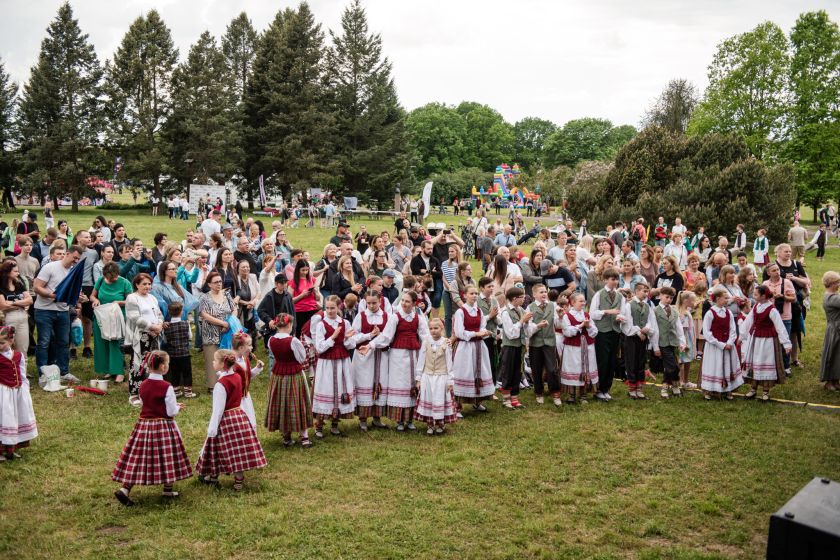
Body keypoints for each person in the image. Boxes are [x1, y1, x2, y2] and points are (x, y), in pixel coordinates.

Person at [111, 351, 191, 505]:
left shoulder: (143, 385)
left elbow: (144, 402)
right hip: (163, 427)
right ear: (162, 367)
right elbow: (170, 411)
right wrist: (177, 407)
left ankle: (125, 489)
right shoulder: (166, 386)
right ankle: (167, 489)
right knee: (168, 455)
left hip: (144, 426)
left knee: (138, 457)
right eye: (167, 364)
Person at [195, 350, 267, 490]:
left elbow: (218, 409)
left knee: (219, 448)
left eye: (215, 361)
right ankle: (238, 480)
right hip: (239, 415)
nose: (213, 362)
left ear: (222, 364)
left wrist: (212, 429)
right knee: (237, 450)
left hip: (226, 420)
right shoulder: (237, 377)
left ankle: (213, 475)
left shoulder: (220, 385)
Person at [376, 291, 429, 431]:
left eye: (407, 301)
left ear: (414, 304)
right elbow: (386, 337)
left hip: (413, 354)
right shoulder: (395, 317)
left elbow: (425, 336)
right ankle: (400, 420)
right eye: (403, 301)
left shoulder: (418, 318)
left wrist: (435, 346)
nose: (404, 303)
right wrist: (371, 345)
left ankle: (410, 419)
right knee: (400, 383)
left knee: (412, 383)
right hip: (398, 356)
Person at [33, 245, 83, 383]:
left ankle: (64, 372)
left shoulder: (73, 272)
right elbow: (36, 287)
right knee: (44, 342)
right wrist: (53, 296)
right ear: (67, 254)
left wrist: (79, 298)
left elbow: (73, 292)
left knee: (63, 342)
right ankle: (43, 373)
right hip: (44, 310)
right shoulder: (50, 267)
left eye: (78, 259)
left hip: (63, 311)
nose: (76, 261)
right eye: (74, 258)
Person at [265, 313, 313, 447]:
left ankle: (286, 436)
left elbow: (274, 355)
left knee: (282, 402)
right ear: (290, 325)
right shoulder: (293, 341)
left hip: (278, 375)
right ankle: (304, 437)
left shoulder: (271, 340)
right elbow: (301, 358)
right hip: (294, 375)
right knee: (298, 402)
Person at [311, 295, 356, 438]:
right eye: (327, 308)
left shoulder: (345, 323)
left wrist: (347, 338)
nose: (330, 311)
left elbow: (351, 345)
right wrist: (333, 337)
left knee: (340, 390)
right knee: (326, 389)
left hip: (342, 361)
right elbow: (319, 347)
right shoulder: (321, 324)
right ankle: (318, 425)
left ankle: (335, 423)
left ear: (338, 307)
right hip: (327, 362)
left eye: (333, 308)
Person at [740, 285, 791, 401]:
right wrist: (741, 336)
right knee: (755, 362)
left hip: (768, 341)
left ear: (763, 296)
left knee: (765, 363)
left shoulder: (771, 309)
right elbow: (748, 321)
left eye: (756, 294)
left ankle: (765, 391)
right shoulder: (756, 306)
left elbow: (780, 327)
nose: (754, 296)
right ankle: (753, 389)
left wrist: (786, 344)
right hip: (755, 339)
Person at [349, 291, 389, 431]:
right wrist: (369, 335)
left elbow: (389, 335)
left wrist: (378, 338)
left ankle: (377, 417)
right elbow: (353, 337)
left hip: (380, 356)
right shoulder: (361, 316)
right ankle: (363, 418)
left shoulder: (385, 316)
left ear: (380, 301)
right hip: (363, 357)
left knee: (379, 382)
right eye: (369, 303)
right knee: (364, 383)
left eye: (374, 303)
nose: (371, 306)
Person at [451, 285, 494, 412]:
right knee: (464, 372)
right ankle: (457, 406)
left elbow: (482, 326)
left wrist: (484, 332)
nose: (474, 295)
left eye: (476, 293)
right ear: (464, 295)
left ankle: (477, 401)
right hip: (465, 347)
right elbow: (459, 332)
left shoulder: (478, 311)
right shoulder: (460, 312)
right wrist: (476, 334)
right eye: (471, 293)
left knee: (479, 371)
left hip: (479, 346)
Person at [125, 273, 164, 406]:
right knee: (139, 363)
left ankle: (151, 392)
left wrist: (159, 325)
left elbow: (159, 314)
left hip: (155, 335)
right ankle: (134, 393)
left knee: (154, 363)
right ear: (137, 285)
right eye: (144, 284)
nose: (147, 286)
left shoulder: (152, 297)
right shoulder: (132, 298)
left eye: (149, 284)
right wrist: (151, 327)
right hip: (141, 336)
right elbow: (134, 318)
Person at [414, 317, 458, 435]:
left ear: (442, 328)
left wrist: (450, 380)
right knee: (428, 398)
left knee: (439, 399)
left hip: (441, 377)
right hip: (427, 376)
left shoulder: (446, 343)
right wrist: (418, 378)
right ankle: (430, 424)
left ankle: (440, 423)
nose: (433, 331)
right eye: (431, 328)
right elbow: (421, 360)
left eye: (436, 328)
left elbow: (449, 363)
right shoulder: (426, 342)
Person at [90, 262, 133, 383]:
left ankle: (119, 371)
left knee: (115, 343)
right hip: (102, 316)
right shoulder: (100, 280)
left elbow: (131, 301)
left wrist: (119, 302)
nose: (111, 280)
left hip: (117, 317)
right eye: (109, 278)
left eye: (113, 278)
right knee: (101, 342)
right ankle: (107, 369)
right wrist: (96, 300)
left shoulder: (124, 282)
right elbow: (92, 296)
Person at [0, 326, 37, 462]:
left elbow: (22, 373)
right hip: (3, 393)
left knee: (15, 419)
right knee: (4, 419)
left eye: (2, 343)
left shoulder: (18, 355)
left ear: (11, 341)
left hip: (17, 393)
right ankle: (1, 449)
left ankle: (12, 448)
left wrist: (24, 390)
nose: (0, 346)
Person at [700, 287, 744, 400]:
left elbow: (733, 329)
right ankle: (710, 389)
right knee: (714, 365)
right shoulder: (710, 313)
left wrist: (729, 342)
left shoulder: (728, 312)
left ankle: (727, 388)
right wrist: (720, 344)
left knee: (727, 365)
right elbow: (706, 332)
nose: (727, 300)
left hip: (728, 344)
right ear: (718, 299)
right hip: (714, 346)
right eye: (725, 298)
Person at [198, 271, 237, 393]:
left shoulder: (226, 294)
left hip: (227, 331)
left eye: (220, 281)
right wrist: (222, 323)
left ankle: (228, 382)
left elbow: (234, 309)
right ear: (209, 284)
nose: (219, 284)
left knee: (227, 357)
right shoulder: (204, 297)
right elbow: (204, 314)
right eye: (215, 282)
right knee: (213, 358)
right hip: (211, 332)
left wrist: (229, 323)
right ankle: (213, 385)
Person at [590, 268, 624, 402]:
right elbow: (593, 313)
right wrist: (606, 312)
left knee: (612, 360)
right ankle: (598, 389)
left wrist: (620, 317)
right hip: (602, 332)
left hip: (615, 331)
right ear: (605, 280)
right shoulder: (599, 294)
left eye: (616, 279)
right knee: (602, 360)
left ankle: (606, 389)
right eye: (612, 279)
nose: (615, 282)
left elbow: (622, 312)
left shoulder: (620, 296)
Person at [559, 292, 599, 404]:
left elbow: (595, 332)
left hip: (587, 347)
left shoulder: (586, 315)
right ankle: (571, 395)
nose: (583, 303)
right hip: (573, 348)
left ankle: (583, 394)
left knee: (585, 368)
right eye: (580, 301)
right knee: (573, 368)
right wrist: (580, 326)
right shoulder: (567, 315)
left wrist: (588, 326)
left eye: (584, 301)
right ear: (572, 302)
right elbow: (566, 331)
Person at [621, 282, 657, 400]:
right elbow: (627, 321)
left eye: (647, 292)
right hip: (631, 337)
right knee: (631, 361)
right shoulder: (629, 305)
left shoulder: (647, 306)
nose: (646, 294)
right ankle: (632, 389)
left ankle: (639, 388)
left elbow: (651, 320)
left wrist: (647, 328)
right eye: (644, 291)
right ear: (636, 291)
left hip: (643, 338)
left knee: (641, 361)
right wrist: (638, 331)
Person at [650, 286, 687, 399]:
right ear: (660, 296)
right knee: (672, 366)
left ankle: (674, 386)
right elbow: (654, 329)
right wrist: (655, 346)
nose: (669, 300)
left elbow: (678, 327)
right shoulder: (655, 311)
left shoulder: (674, 310)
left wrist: (682, 342)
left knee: (673, 366)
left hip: (673, 342)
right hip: (662, 342)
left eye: (671, 298)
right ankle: (665, 387)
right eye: (667, 297)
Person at [498, 286, 530, 409]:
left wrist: (533, 325)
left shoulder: (521, 310)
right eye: (522, 297)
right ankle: (506, 399)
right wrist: (521, 321)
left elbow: (526, 331)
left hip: (520, 346)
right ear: (514, 298)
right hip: (509, 346)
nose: (524, 299)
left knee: (518, 371)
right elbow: (511, 334)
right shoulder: (505, 312)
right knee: (508, 371)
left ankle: (514, 397)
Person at [162, 301, 195, 398]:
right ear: (181, 312)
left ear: (169, 312)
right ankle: (188, 392)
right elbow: (190, 336)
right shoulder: (185, 324)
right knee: (187, 373)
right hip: (184, 353)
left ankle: (176, 391)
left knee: (175, 373)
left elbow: (164, 339)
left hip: (172, 355)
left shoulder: (166, 327)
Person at [0, 261, 33, 356]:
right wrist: (22, 303)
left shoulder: (19, 284)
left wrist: (14, 303)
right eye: (15, 271)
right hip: (9, 317)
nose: (18, 273)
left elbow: (30, 300)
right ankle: (8, 369)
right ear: (7, 272)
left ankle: (22, 370)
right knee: (6, 347)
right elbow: (3, 305)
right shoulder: (1, 287)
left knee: (23, 347)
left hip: (23, 317)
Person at [232, 332, 263, 431]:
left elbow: (247, 376)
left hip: (245, 397)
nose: (252, 347)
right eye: (249, 345)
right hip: (236, 400)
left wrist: (257, 368)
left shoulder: (245, 359)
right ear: (241, 348)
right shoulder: (232, 363)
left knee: (249, 419)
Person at [820, 271, 840, 392]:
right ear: (831, 283)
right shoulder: (831, 298)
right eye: (837, 282)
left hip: (836, 328)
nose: (839, 284)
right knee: (832, 355)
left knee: (837, 356)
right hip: (835, 330)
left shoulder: (833, 295)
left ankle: (835, 381)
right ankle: (829, 382)